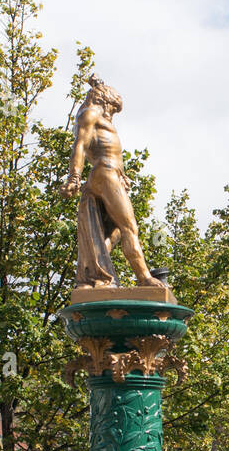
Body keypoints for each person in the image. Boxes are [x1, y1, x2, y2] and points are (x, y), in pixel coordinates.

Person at [62, 76, 171, 294]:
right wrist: (74, 177)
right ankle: (144, 277)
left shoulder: (94, 113)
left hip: (111, 174)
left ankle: (94, 270)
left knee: (116, 232)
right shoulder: (91, 113)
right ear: (104, 102)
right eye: (112, 109)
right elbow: (80, 147)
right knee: (130, 227)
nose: (111, 115)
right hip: (104, 174)